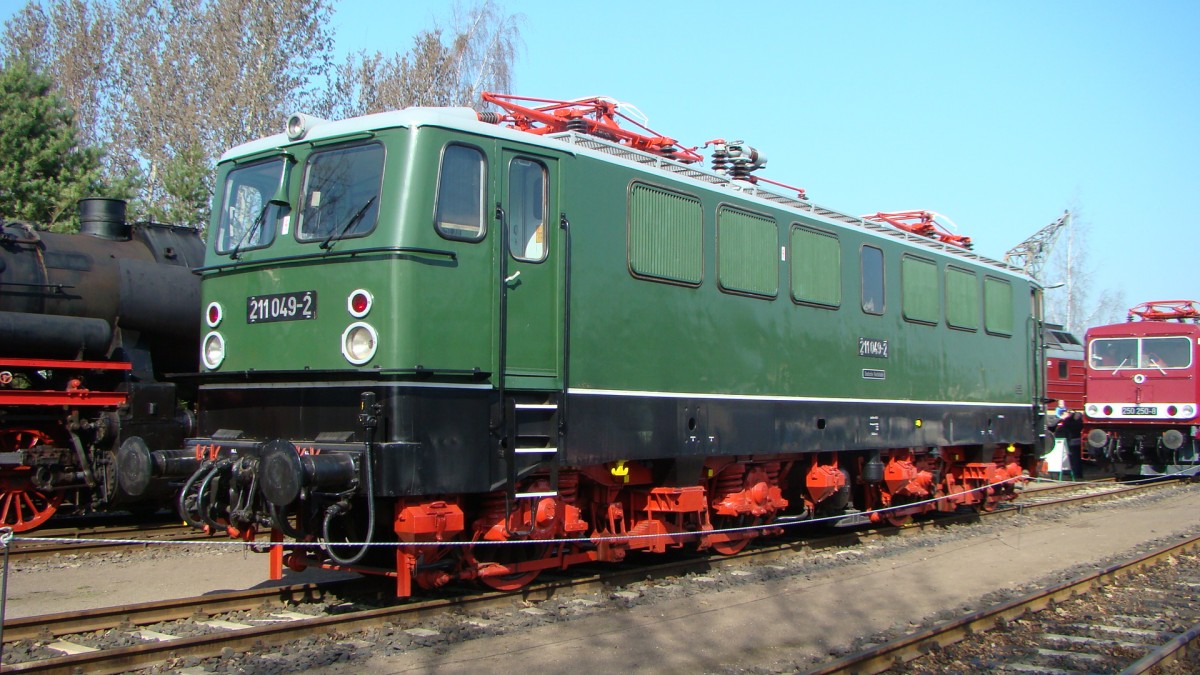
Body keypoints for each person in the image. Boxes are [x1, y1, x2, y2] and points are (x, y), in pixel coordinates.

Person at [1049, 410, 1085, 480]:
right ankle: (1077, 474)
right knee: (1076, 459)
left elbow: (1060, 426)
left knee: (1073, 459)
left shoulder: (1068, 423)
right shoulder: (1080, 423)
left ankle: (1074, 473)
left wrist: (1067, 417)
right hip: (1077, 441)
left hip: (1070, 441)